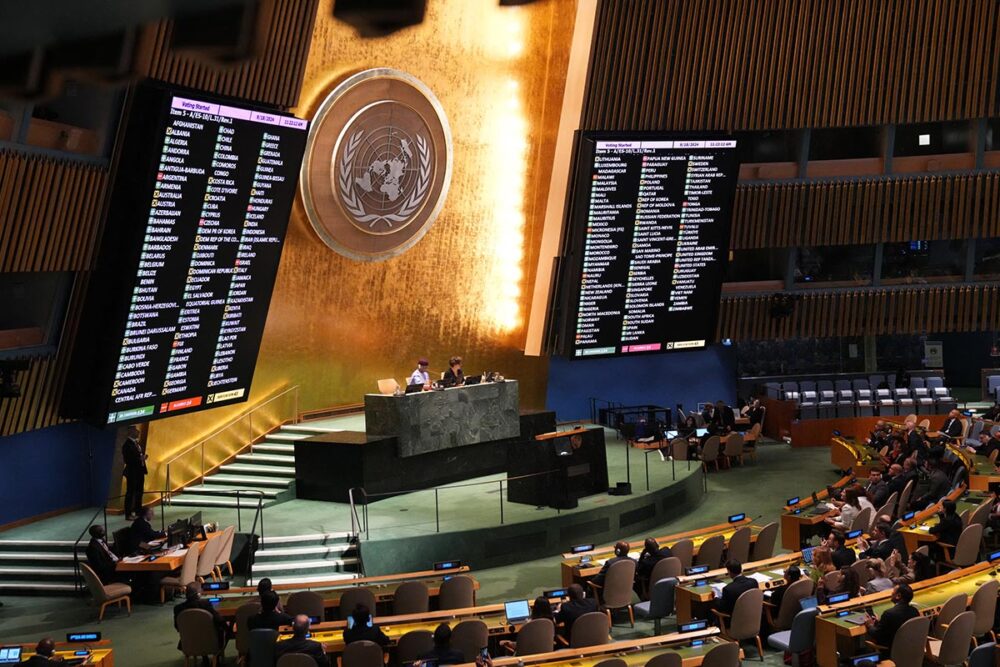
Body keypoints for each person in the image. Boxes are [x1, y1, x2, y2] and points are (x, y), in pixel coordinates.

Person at [864, 584, 919, 650]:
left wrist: (870, 625)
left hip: (891, 652)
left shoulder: (889, 613)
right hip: (909, 650)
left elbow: (877, 635)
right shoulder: (915, 611)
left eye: (893, 592)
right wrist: (878, 622)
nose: (891, 594)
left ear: (898, 596)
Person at [173, 583, 228, 650]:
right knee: (219, 629)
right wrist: (228, 630)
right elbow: (219, 620)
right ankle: (217, 657)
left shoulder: (177, 608)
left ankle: (204, 657)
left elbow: (177, 627)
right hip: (209, 641)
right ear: (198, 594)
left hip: (188, 642)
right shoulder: (205, 604)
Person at [122, 425, 147, 520]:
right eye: (136, 431)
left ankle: (138, 511)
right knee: (130, 493)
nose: (138, 432)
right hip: (132, 472)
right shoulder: (127, 445)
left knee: (139, 492)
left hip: (140, 471)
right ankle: (128, 514)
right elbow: (128, 460)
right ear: (131, 432)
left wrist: (142, 459)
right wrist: (139, 458)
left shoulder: (137, 444)